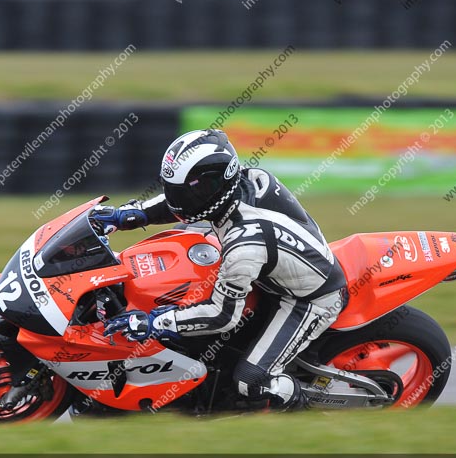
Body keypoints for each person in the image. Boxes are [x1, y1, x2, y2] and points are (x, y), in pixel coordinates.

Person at [95, 129, 346, 410]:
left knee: (251, 382)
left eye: (186, 192)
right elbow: (183, 205)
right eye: (173, 188)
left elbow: (222, 315)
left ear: (211, 189)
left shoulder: (244, 246)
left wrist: (154, 323)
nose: (177, 200)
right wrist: (132, 214)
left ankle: (304, 406)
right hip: (273, 270)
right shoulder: (246, 181)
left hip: (308, 298)